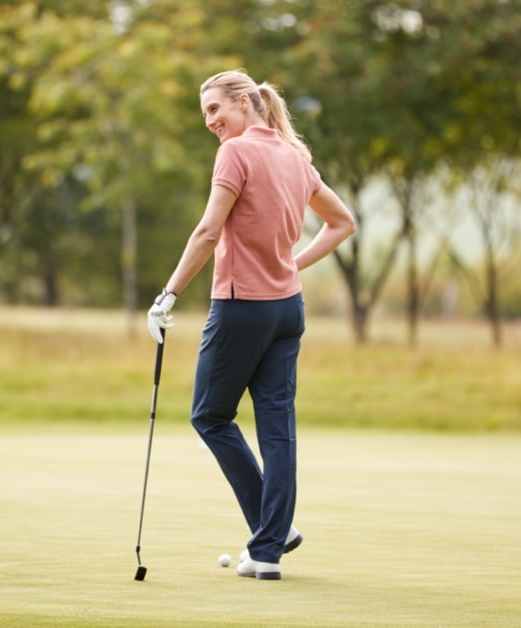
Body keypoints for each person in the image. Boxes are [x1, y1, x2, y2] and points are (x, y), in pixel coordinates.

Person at [146, 70, 356, 581]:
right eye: (206, 115)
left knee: (210, 416)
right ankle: (269, 545)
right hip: (287, 310)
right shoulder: (294, 156)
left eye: (215, 110)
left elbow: (206, 232)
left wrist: (168, 294)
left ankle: (272, 533)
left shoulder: (236, 153)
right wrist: (292, 266)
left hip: (241, 307)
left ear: (244, 103)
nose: (211, 123)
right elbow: (343, 222)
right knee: (277, 427)